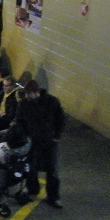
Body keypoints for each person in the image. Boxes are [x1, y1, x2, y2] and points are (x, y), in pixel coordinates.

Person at [15, 80, 65, 208]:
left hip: (49, 142)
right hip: (33, 141)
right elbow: (19, 121)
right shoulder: (24, 104)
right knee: (32, 168)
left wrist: (56, 136)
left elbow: (61, 119)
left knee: (52, 170)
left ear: (36, 92)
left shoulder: (52, 102)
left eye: (28, 93)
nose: (26, 96)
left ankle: (53, 197)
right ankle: (33, 190)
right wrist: (24, 135)